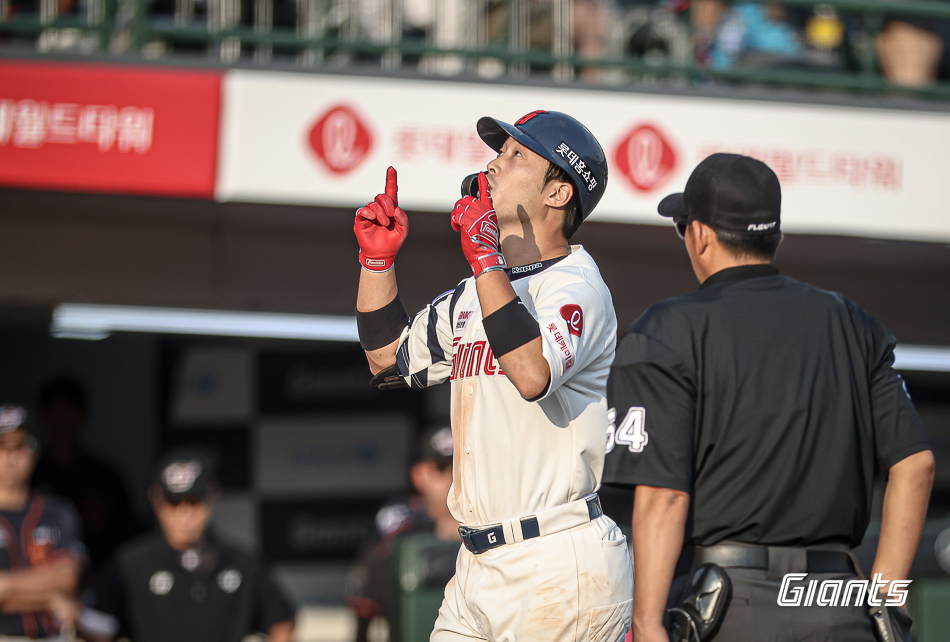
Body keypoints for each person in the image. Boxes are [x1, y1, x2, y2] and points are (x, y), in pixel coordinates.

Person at [602, 153, 935, 642]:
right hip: (837, 600)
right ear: (773, 237)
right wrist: (885, 605)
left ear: (700, 234)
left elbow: (665, 495)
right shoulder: (850, 322)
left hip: (732, 603)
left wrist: (647, 624)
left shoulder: (671, 328)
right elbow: (916, 466)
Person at [353, 109, 633, 642]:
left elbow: (531, 373)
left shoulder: (577, 282)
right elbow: (387, 359)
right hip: (477, 564)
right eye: (498, 152)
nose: (494, 165)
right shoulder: (478, 290)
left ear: (558, 193)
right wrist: (377, 264)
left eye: (516, 155)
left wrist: (485, 259)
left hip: (557, 557)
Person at [90, 448, 296, 642]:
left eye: (194, 502)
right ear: (156, 500)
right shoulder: (130, 563)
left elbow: (281, 619)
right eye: (175, 503)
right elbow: (96, 624)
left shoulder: (241, 562)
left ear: (212, 495)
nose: (184, 514)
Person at [348, 425, 459, 642]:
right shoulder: (402, 518)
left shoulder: (494, 515)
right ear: (419, 475)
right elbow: (365, 614)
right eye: (442, 468)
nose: (453, 477)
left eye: (460, 467)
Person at [31, 377, 139, 579]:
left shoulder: (104, 476)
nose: (62, 421)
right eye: (56, 413)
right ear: (44, 417)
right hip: (38, 583)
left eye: (68, 412)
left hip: (100, 579)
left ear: (82, 416)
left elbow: (127, 536)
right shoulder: (31, 476)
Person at [0, 404, 86, 640]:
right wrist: (48, 597)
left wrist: (6, 585)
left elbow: (67, 578)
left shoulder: (58, 511)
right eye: (2, 446)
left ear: (34, 451)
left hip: (53, 636)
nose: (10, 456)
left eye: (19, 445)